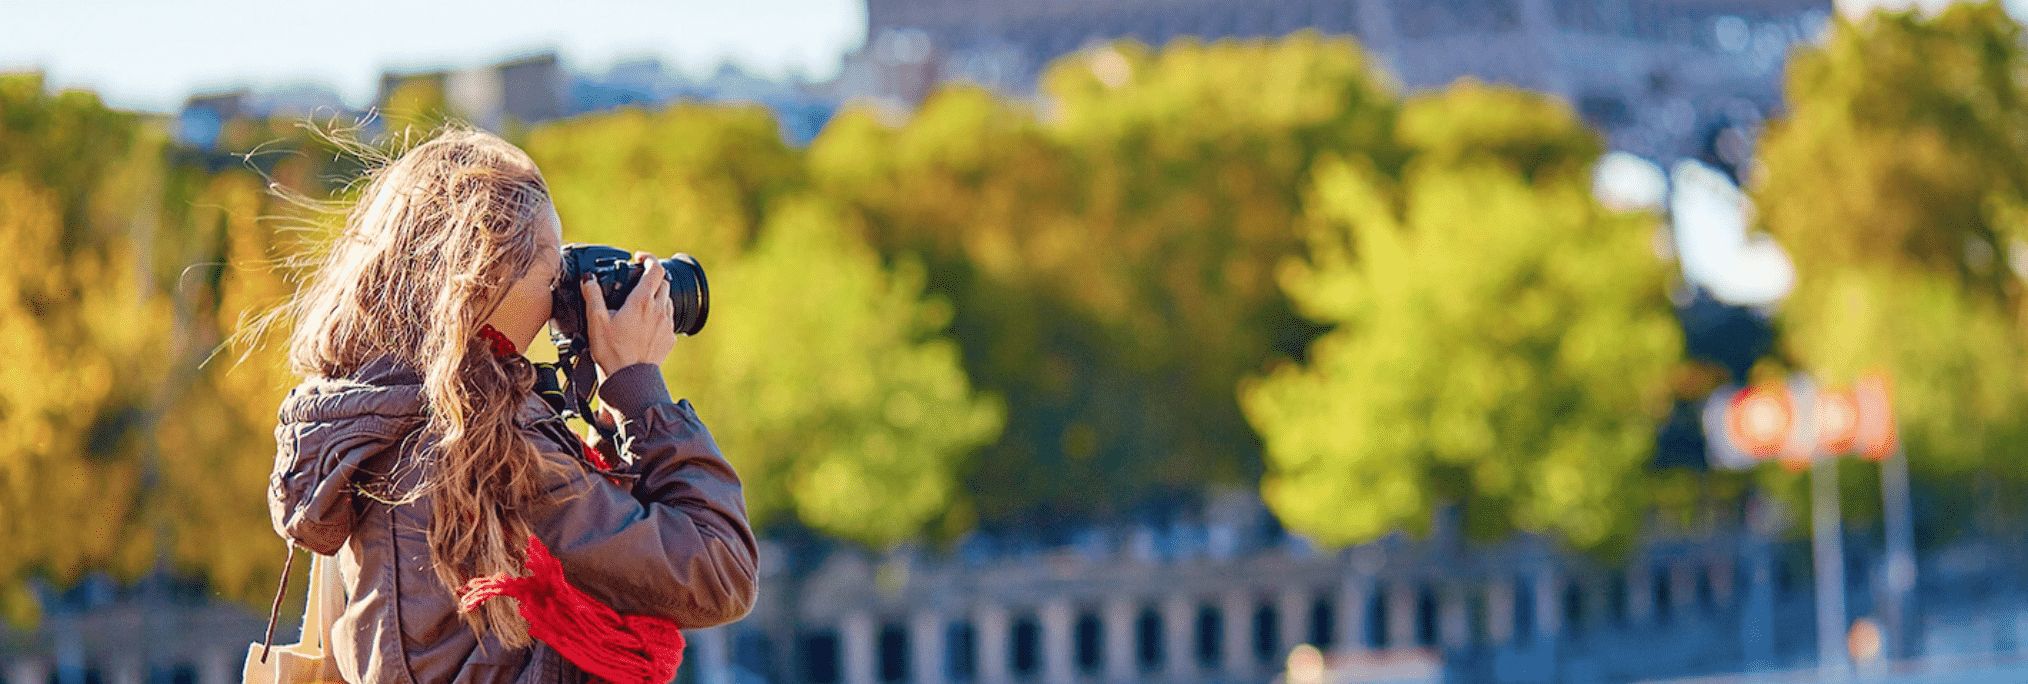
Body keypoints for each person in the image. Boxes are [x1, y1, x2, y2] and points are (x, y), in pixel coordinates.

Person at [266, 127, 758, 683]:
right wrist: (638, 388)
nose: (560, 293)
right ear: (484, 276)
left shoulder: (373, 415)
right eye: (551, 271)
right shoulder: (486, 445)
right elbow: (718, 571)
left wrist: (587, 398)